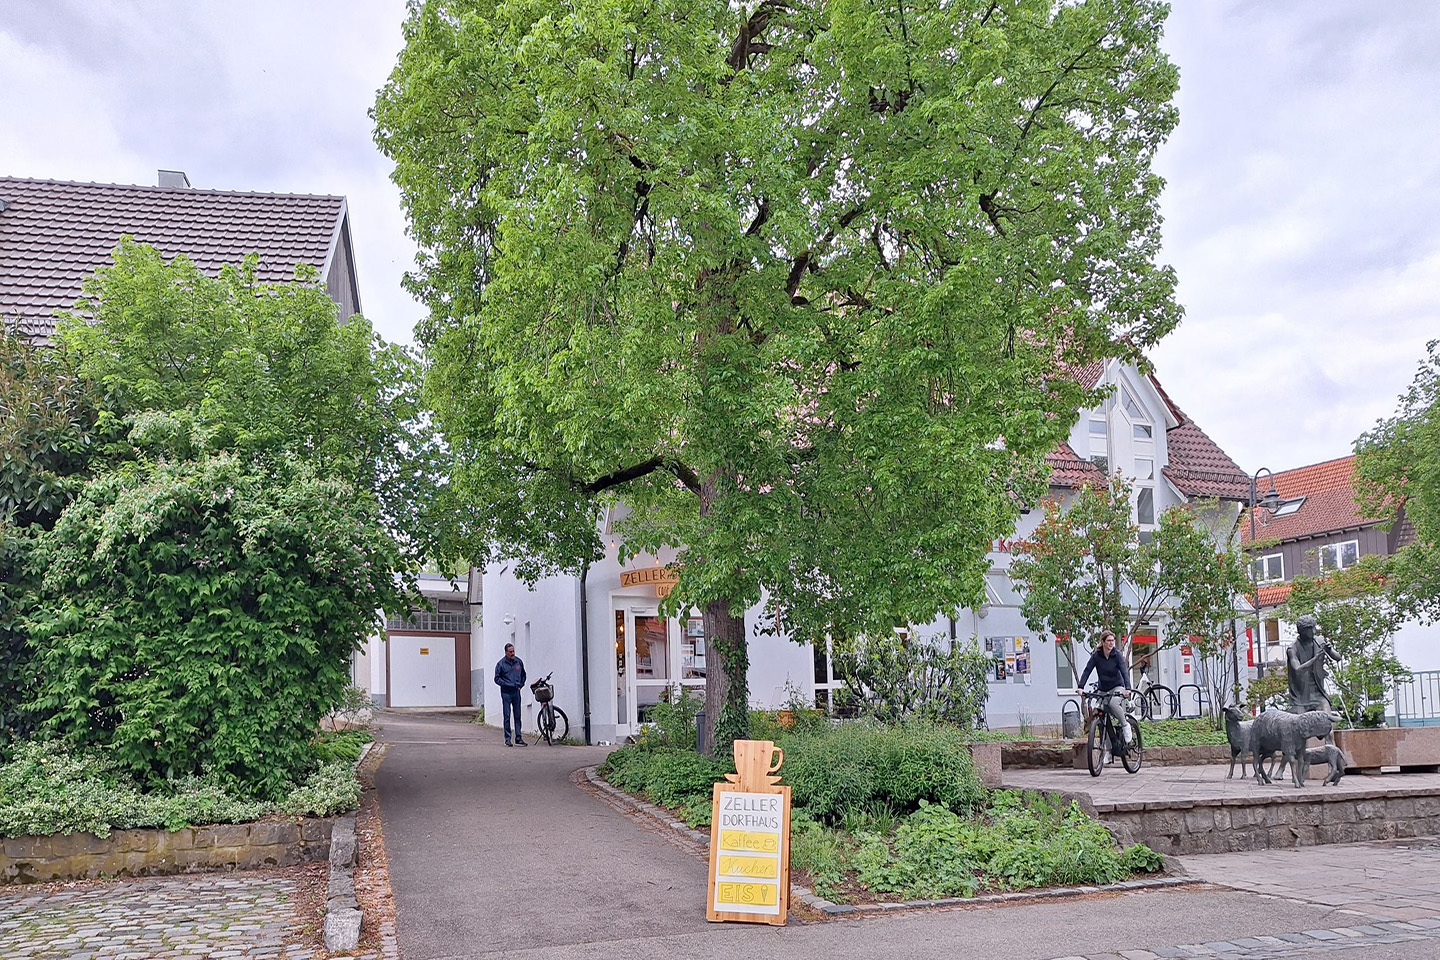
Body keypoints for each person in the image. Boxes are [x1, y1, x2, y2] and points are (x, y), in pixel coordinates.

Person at [1078, 630, 1134, 744]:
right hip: (1103, 689)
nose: (1111, 643)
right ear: (1102, 642)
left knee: (1113, 704)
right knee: (1101, 715)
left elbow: (1124, 671)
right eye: (1108, 641)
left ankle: (1125, 725)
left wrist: (1127, 688)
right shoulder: (1096, 656)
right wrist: (1081, 687)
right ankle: (1108, 750)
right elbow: (1087, 670)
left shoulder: (1116, 654)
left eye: (1112, 641)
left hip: (1117, 686)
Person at [1286, 614, 1341, 714]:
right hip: (1300, 697)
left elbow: (1338, 658)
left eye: (1314, 628)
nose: (1313, 632)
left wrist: (1329, 650)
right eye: (1309, 629)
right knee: (1300, 725)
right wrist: (1315, 659)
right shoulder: (1292, 649)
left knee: (1327, 721)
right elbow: (1297, 669)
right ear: (1301, 631)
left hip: (1318, 693)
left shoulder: (1319, 642)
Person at [494, 643, 527, 746]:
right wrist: (506, 684)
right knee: (507, 715)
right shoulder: (501, 664)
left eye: (513, 651)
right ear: (506, 652)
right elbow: (497, 678)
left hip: (516, 692)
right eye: (510, 652)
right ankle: (507, 738)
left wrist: (521, 684)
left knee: (518, 716)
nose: (512, 653)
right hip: (506, 693)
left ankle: (518, 737)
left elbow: (523, 675)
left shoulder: (519, 662)